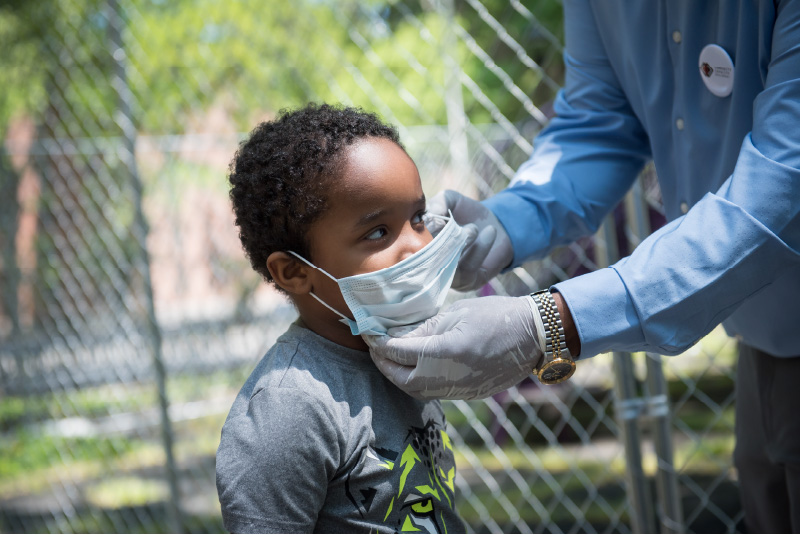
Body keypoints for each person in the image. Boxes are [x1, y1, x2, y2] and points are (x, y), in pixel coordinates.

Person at [366, 1, 800, 531]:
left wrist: (547, 326)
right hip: (770, 329)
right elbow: (599, 122)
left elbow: (782, 187)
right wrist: (506, 223)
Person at [216, 103, 467, 533]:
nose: (419, 246)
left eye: (418, 218)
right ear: (295, 272)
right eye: (377, 232)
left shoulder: (399, 350)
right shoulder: (289, 409)